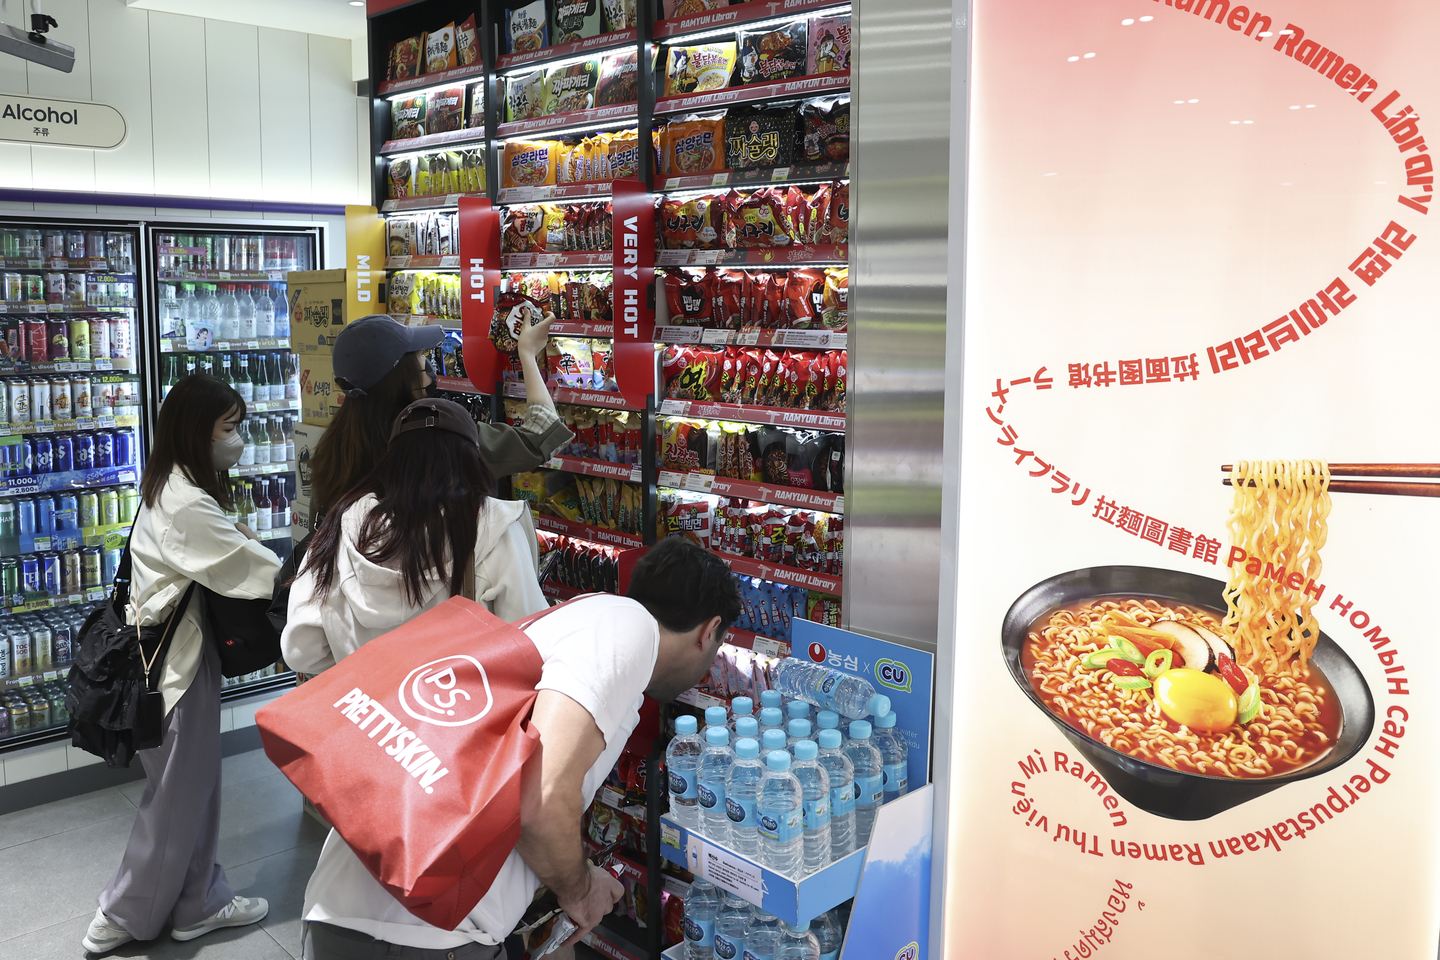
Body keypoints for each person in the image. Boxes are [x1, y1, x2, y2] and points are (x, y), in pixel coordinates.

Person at [298, 536, 742, 959]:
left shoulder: (581, 617)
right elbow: (541, 801)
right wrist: (580, 891)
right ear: (709, 631)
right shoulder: (629, 631)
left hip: (374, 907)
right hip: (415, 934)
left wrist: (572, 877)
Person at [83, 375, 284, 955]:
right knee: (176, 794)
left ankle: (201, 900)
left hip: (163, 657)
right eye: (230, 429)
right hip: (177, 665)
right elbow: (258, 572)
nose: (239, 440)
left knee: (194, 787)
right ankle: (122, 912)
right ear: (198, 433)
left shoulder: (167, 483)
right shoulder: (189, 504)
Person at [281, 398, 549, 675]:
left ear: (391, 461)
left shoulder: (346, 523)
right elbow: (531, 642)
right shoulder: (492, 528)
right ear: (472, 459)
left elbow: (302, 651)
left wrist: (357, 662)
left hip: (365, 708)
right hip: (456, 709)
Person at [309, 314, 568, 521]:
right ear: (400, 375)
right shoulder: (443, 440)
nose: (427, 363)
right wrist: (527, 354)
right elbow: (542, 433)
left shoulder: (334, 450)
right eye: (419, 356)